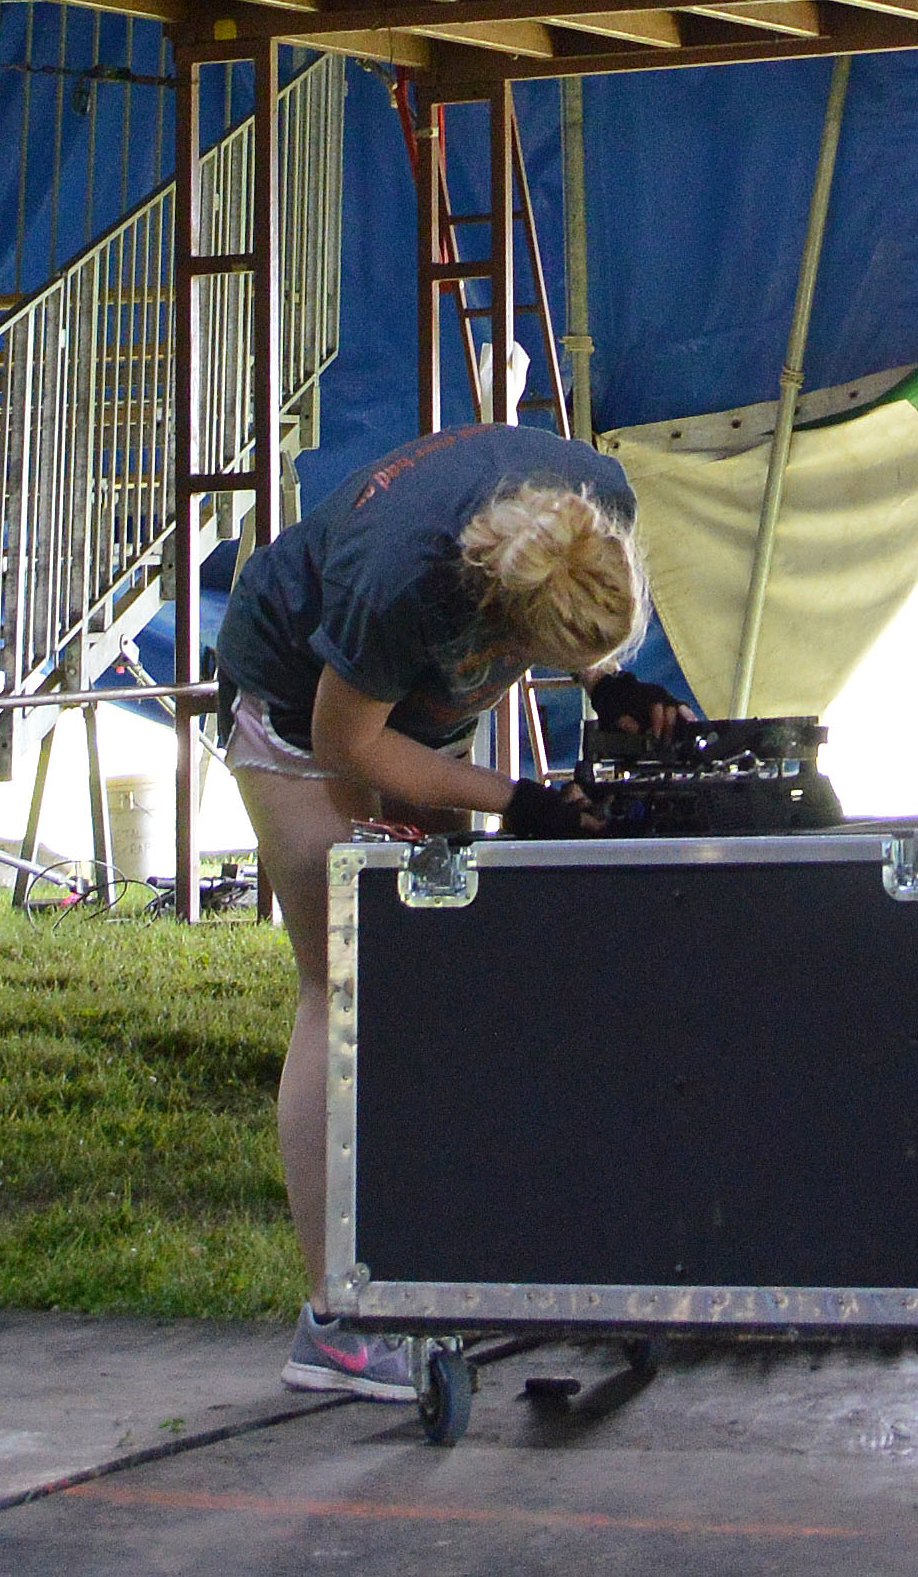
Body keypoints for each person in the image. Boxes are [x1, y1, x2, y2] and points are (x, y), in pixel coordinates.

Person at [214, 423, 649, 1399]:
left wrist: (614, 690)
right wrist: (522, 801)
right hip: (300, 707)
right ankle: (336, 1320)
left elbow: (578, 622)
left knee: (448, 973)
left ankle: (445, 1249)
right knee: (344, 984)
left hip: (407, 708)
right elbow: (350, 744)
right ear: (500, 623)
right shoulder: (401, 580)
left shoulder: (595, 499)